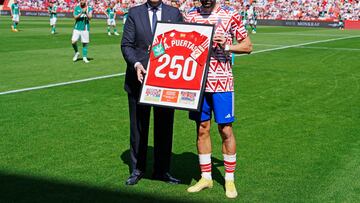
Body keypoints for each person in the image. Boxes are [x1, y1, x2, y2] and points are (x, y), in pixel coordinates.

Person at [184, 0, 252, 199]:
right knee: (202, 128)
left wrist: (228, 45)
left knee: (225, 129)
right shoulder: (190, 15)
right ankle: (206, 177)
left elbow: (248, 46)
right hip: (197, 83)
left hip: (222, 83)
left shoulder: (230, 13)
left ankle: (229, 180)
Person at [121, 0, 183, 186]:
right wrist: (137, 64)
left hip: (165, 82)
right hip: (138, 80)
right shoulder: (134, 13)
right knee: (138, 127)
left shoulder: (174, 13)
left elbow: (181, 43)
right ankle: (137, 169)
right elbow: (126, 45)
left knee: (164, 127)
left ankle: (162, 170)